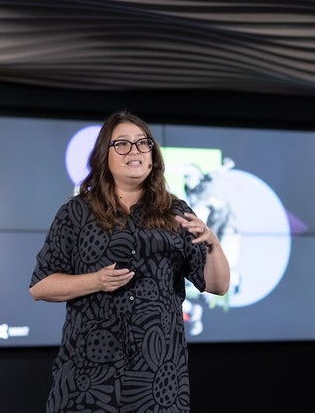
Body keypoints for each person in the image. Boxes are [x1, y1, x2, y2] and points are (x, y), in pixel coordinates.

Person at [29, 109, 231, 412]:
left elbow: (217, 286)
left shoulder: (176, 211)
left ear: (153, 155)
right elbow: (40, 286)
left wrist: (213, 244)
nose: (134, 151)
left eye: (142, 143)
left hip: (159, 381)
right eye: (121, 144)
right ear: (104, 156)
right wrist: (94, 281)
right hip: (88, 381)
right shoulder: (76, 212)